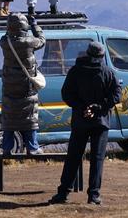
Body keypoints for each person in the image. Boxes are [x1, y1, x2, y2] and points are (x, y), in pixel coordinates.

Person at [51, 41, 122, 205]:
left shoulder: (76, 71)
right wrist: (99, 107)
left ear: (87, 54)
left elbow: (66, 93)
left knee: (73, 157)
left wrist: (81, 107)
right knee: (97, 159)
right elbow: (117, 95)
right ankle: (94, 195)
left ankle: (63, 193)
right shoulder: (108, 72)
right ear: (102, 56)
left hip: (80, 120)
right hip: (101, 121)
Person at [0, 13, 46, 155]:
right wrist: (35, 25)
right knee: (29, 115)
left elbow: (7, 34)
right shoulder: (29, 42)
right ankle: (32, 147)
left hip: (9, 88)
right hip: (27, 87)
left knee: (9, 117)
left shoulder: (5, 43)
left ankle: (6, 148)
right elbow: (42, 40)